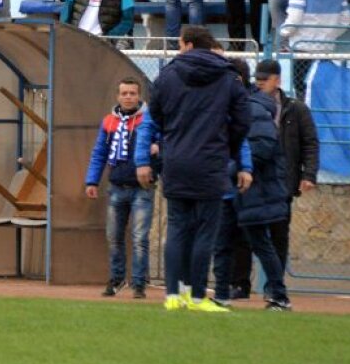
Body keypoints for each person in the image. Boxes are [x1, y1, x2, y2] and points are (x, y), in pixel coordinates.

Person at [134, 25, 250, 313]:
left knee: (177, 227)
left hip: (176, 160)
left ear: (186, 44)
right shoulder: (227, 77)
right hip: (212, 161)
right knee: (205, 231)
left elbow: (156, 116)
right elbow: (243, 120)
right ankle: (198, 297)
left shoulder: (167, 76)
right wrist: (229, 148)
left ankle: (174, 295)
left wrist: (171, 139)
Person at [229, 59, 319, 298]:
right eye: (257, 80)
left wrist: (308, 174)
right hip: (251, 179)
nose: (259, 84)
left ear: (278, 80)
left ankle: (273, 286)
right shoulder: (249, 106)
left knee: (278, 234)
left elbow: (309, 142)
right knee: (243, 233)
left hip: (283, 181)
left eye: (264, 80)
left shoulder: (295, 108)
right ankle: (240, 284)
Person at [213, 60, 293, 311]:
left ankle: (279, 295)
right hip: (227, 190)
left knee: (261, 243)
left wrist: (232, 167)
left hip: (251, 190)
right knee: (222, 243)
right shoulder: (225, 108)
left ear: (236, 81)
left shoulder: (254, 109)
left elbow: (262, 148)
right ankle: (221, 293)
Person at [84, 77, 153, 299]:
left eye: (132, 93)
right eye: (124, 93)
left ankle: (139, 283)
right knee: (114, 236)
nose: (128, 97)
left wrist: (157, 148)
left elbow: (166, 141)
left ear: (139, 95)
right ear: (117, 96)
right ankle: (116, 278)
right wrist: (92, 181)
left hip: (142, 186)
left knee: (139, 237)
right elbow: (99, 153)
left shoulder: (149, 120)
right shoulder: (109, 122)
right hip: (116, 185)